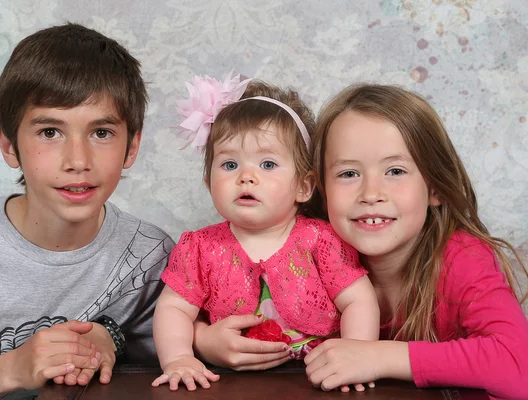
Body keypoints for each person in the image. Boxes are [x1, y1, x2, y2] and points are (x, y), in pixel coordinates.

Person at [194, 83, 528, 400]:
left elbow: (520, 364)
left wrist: (379, 357)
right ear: (316, 187)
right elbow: (211, 304)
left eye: (395, 171)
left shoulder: (461, 259)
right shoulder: (306, 250)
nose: (371, 194)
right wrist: (202, 339)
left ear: (436, 187)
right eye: (348, 174)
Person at [0, 23, 174, 399]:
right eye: (49, 132)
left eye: (101, 133)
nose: (78, 161)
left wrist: (111, 337)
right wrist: (12, 368)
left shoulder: (151, 256)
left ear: (132, 146)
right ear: (9, 145)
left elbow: (169, 369)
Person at [151, 73, 380, 392]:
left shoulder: (321, 240)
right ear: (208, 183)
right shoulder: (200, 247)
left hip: (315, 378)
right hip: (231, 380)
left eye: (268, 165)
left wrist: (357, 353)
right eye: (230, 165)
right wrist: (178, 358)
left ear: (303, 186)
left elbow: (359, 300)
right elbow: (173, 308)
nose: (246, 177)